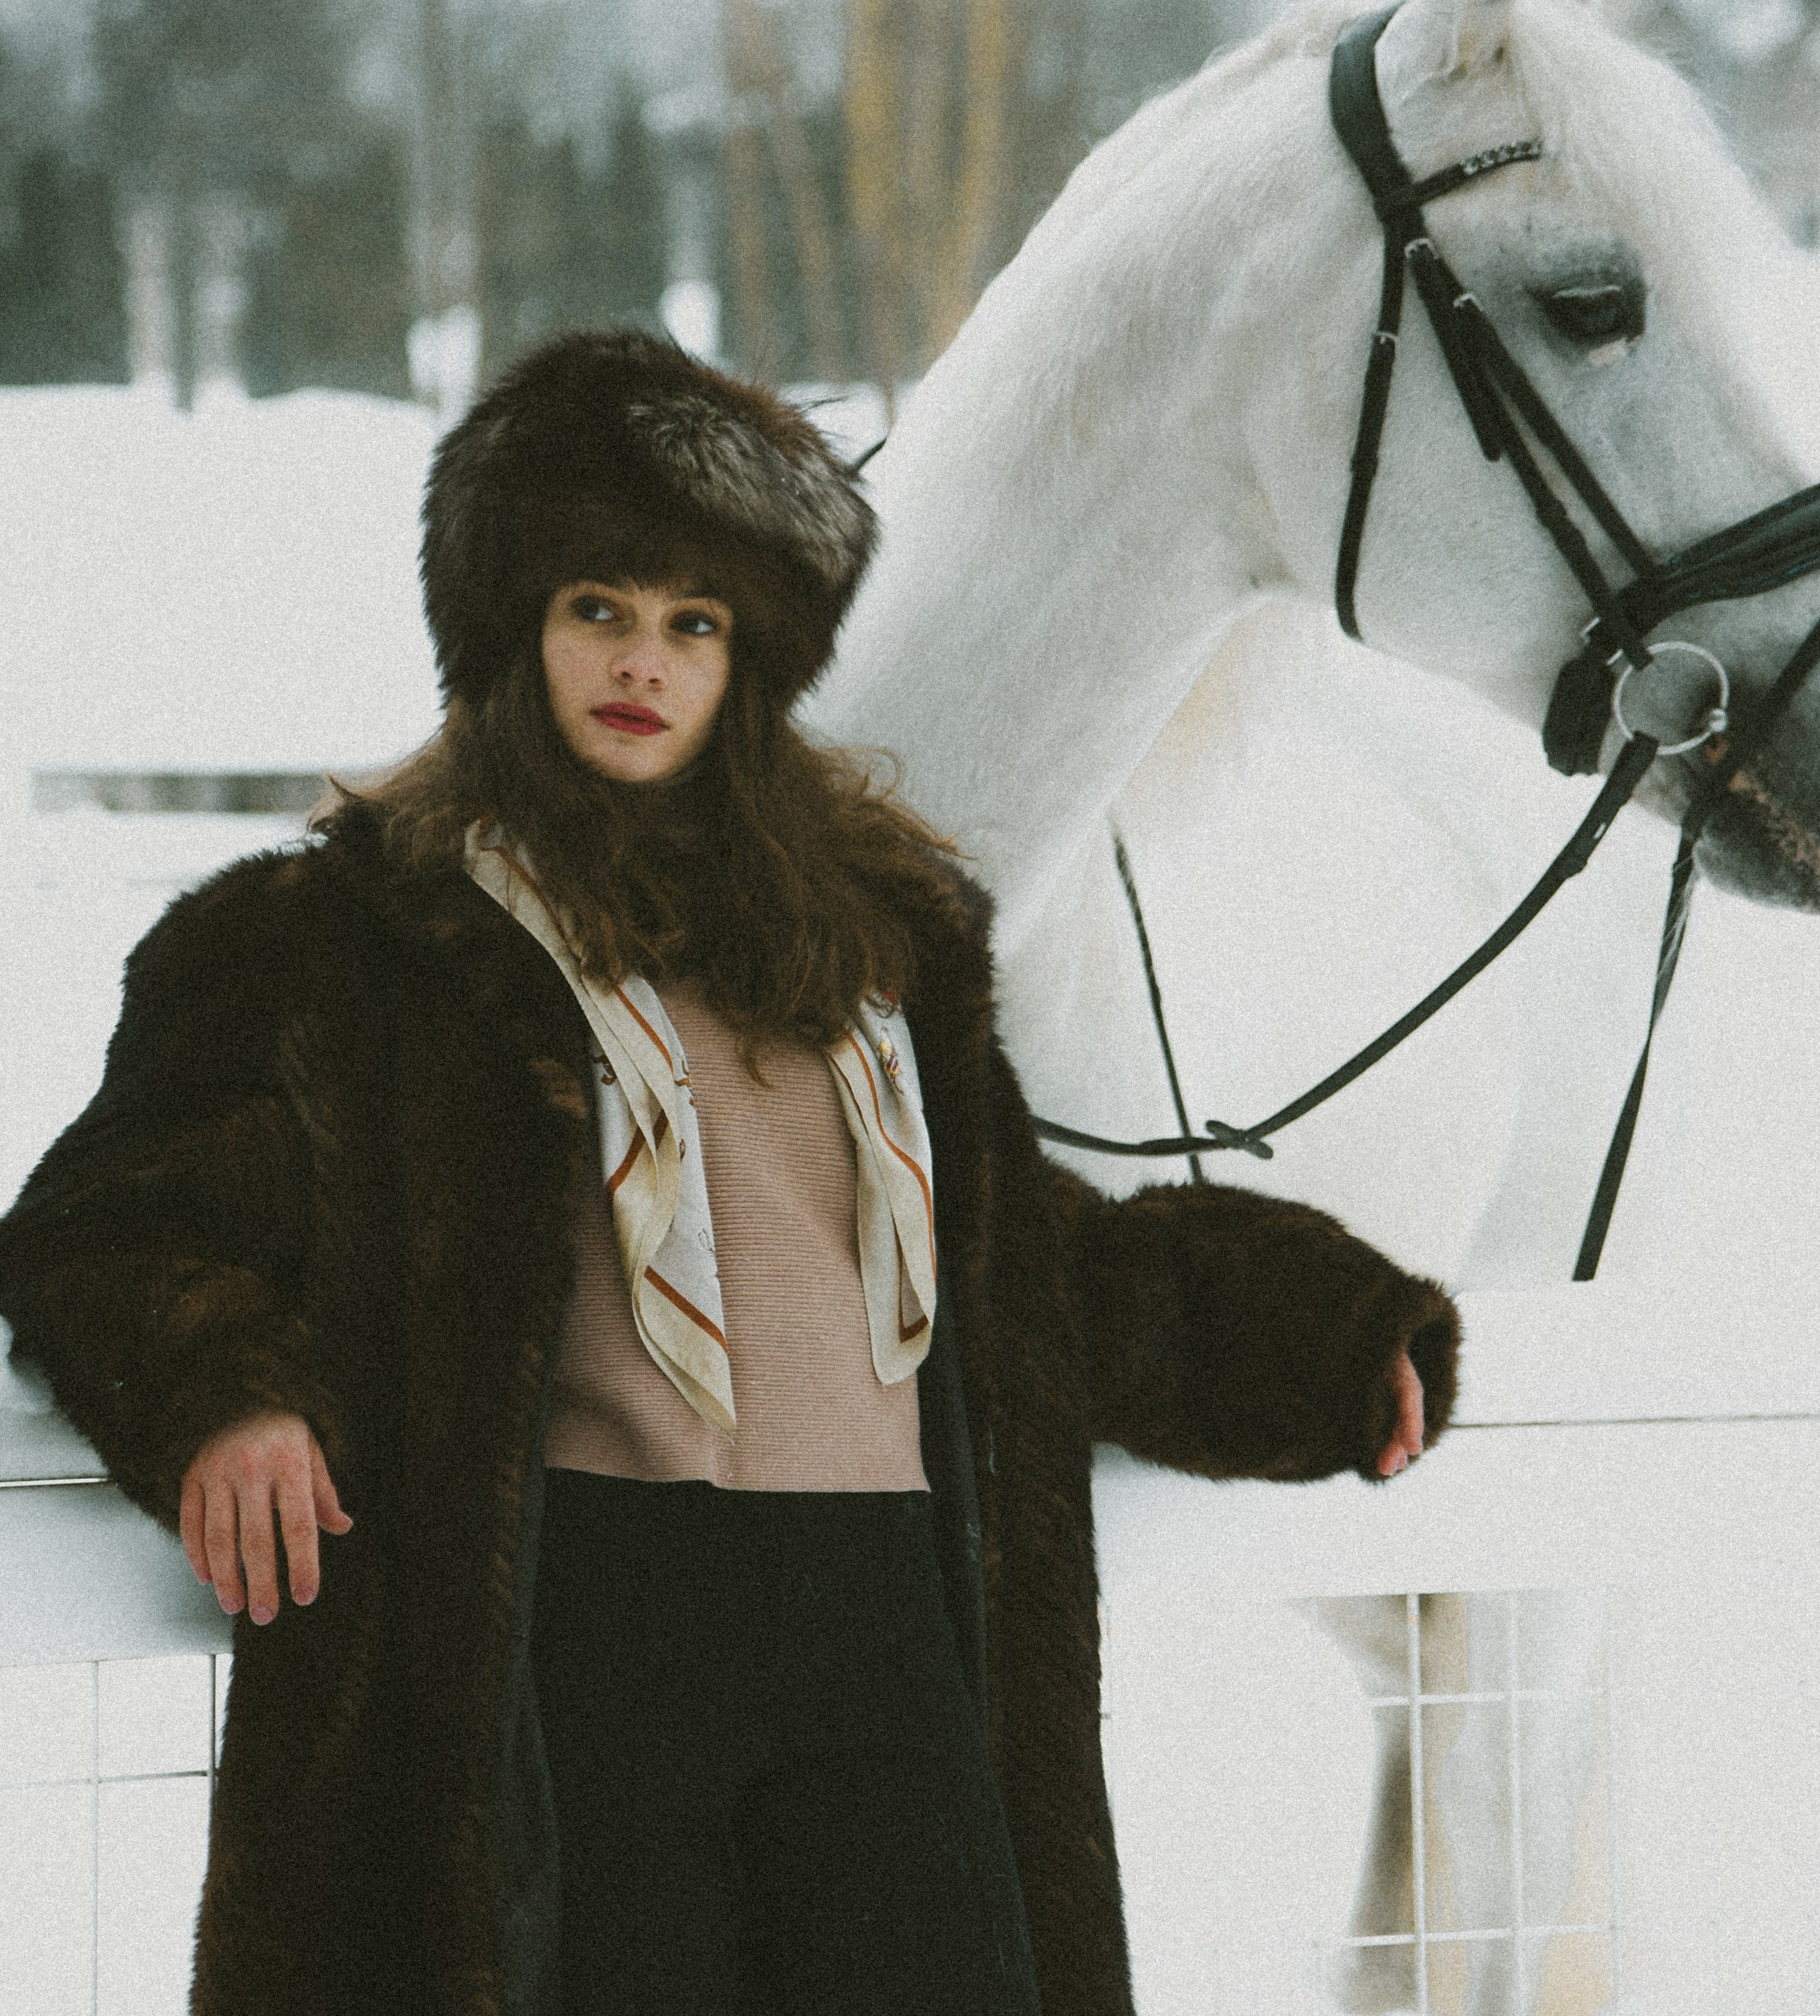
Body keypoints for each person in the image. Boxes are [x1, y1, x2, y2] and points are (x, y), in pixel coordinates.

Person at [0, 329, 1459, 2016]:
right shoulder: (351, 940)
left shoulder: (874, 950)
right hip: (583, 1648)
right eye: (598, 607)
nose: (645, 661)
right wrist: (223, 1396)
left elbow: (1026, 1269)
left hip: (884, 1637)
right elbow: (107, 1230)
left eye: (695, 622)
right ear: (512, 624)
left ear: (749, 658)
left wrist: (1319, 1338)